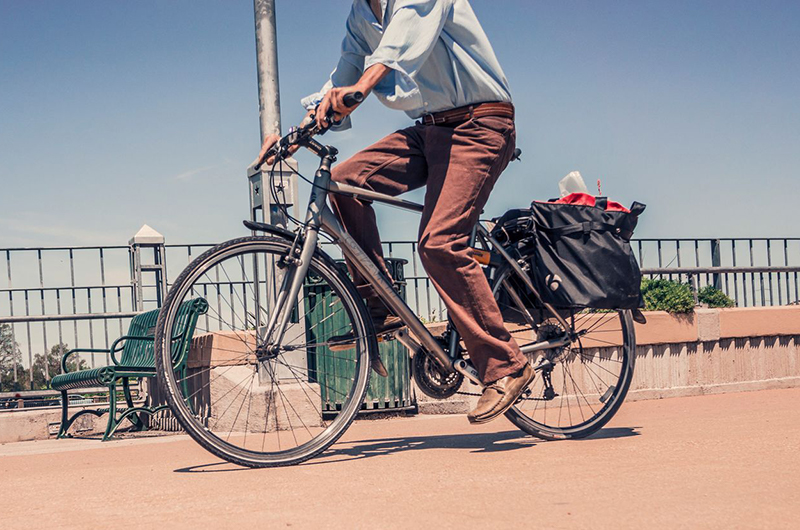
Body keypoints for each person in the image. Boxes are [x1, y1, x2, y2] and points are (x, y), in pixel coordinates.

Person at [257, 0, 533, 425]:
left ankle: (505, 365)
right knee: (346, 182)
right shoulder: (360, 16)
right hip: (432, 128)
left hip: (481, 124)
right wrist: (294, 136)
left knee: (440, 243)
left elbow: (399, 45)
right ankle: (379, 307)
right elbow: (343, 74)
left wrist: (362, 89)